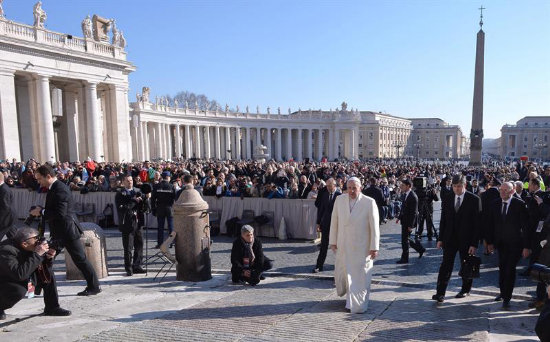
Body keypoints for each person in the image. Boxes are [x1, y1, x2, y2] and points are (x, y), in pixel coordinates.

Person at [29, 164, 100, 296]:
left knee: (79, 259)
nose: (38, 182)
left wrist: (42, 211)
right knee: (46, 258)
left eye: (39, 179)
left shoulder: (60, 188)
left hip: (67, 231)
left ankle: (94, 286)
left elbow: (60, 212)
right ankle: (39, 286)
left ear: (48, 176)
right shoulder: (53, 188)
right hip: (60, 231)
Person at [329, 177, 380, 314]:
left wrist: (374, 247)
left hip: (362, 247)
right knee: (346, 274)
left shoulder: (369, 202)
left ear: (360, 188)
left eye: (354, 188)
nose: (351, 191)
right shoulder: (339, 200)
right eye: (349, 188)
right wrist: (332, 241)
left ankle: (359, 305)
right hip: (343, 244)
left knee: (360, 277)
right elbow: (334, 221)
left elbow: (374, 227)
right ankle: (349, 302)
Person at [0, 227, 71, 320]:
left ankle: (52, 307)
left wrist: (49, 258)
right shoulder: (6, 251)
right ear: (24, 244)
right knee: (18, 290)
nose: (38, 241)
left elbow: (40, 264)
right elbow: (19, 274)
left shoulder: (28, 246)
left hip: (18, 275)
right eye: (35, 239)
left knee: (47, 273)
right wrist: (37, 254)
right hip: (6, 280)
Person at [433, 174, 481, 303]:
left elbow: (477, 224)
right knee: (445, 266)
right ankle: (440, 292)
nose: (456, 189)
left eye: (459, 186)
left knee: (466, 265)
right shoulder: (448, 197)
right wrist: (440, 238)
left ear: (464, 185)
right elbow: (443, 220)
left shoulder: (474, 199)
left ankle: (465, 289)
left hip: (466, 240)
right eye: (454, 186)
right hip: (449, 238)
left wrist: (474, 244)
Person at [486, 181, 530, 309]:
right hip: (500, 243)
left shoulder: (519, 205)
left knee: (510, 269)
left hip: (516, 244)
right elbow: (490, 224)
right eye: (501, 190)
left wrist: (527, 247)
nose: (502, 192)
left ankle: (507, 297)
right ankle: (503, 291)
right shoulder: (494, 204)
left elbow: (526, 227)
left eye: (506, 190)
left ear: (512, 191)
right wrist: (489, 242)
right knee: (502, 268)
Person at [115, 175, 146, 276]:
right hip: (127, 223)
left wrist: (146, 199)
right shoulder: (120, 193)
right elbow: (121, 208)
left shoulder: (137, 190)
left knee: (139, 245)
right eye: (127, 181)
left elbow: (144, 207)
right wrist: (133, 201)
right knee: (128, 247)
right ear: (123, 182)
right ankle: (128, 268)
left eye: (131, 180)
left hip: (138, 221)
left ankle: (137, 265)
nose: (130, 182)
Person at [312, 178, 341, 273]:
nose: (327, 187)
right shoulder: (324, 195)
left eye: (329, 186)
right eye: (327, 186)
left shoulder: (340, 196)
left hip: (338, 226)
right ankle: (319, 266)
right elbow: (321, 210)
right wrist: (318, 222)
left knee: (339, 247)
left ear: (334, 185)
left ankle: (340, 267)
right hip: (326, 225)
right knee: (323, 246)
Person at [396, 179, 425, 263]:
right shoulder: (406, 194)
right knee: (406, 239)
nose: (401, 187)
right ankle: (420, 249)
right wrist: (399, 217)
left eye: (403, 185)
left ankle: (405, 258)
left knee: (404, 240)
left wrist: (410, 225)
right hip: (404, 220)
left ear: (408, 186)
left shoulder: (413, 196)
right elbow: (404, 208)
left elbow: (414, 213)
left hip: (408, 222)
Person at [151, 171, 176, 248]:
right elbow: (175, 198)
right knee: (171, 227)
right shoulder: (172, 186)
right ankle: (170, 243)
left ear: (162, 177)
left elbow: (153, 199)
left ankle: (160, 243)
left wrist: (153, 209)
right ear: (168, 177)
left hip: (160, 208)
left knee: (160, 227)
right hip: (169, 208)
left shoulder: (156, 186)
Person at [0, 172, 17, 240]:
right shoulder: (2, 188)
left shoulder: (4, 190)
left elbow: (5, 207)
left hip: (7, 218)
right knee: (14, 237)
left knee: (14, 237)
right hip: (8, 218)